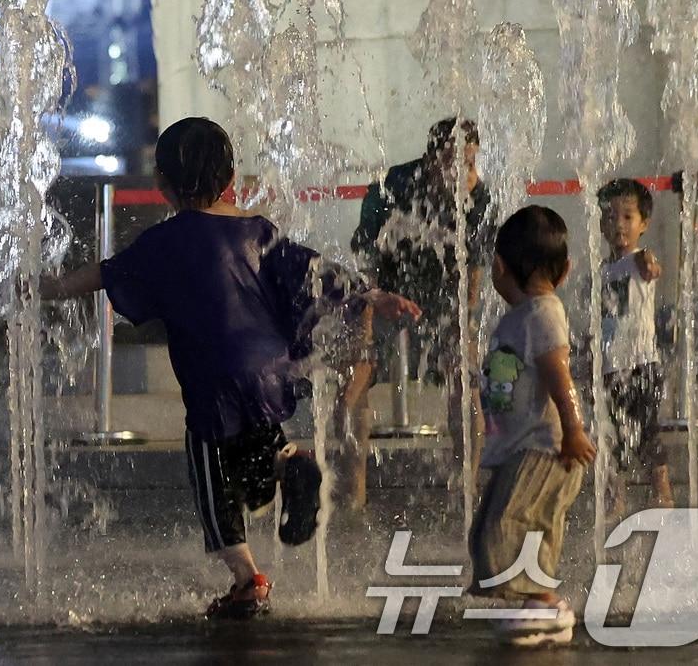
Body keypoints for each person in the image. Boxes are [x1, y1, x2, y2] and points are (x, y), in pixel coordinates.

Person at [41, 117, 421, 619]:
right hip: (268, 368)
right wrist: (374, 293)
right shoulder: (258, 230)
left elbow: (108, 274)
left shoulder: (166, 241)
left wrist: (53, 288)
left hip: (212, 377)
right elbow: (313, 270)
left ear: (162, 184)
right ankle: (291, 464)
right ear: (231, 178)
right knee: (255, 451)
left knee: (211, 483)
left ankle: (246, 579)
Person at [343, 118, 494, 504]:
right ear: (430, 161)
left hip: (445, 293)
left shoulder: (478, 198)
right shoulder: (392, 186)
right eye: (452, 162)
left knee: (465, 380)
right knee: (356, 370)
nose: (462, 173)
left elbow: (474, 269)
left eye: (470, 163)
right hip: (391, 289)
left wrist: (466, 318)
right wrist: (374, 303)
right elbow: (365, 253)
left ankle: (468, 483)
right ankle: (352, 488)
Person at [469, 205, 595, 647]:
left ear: (499, 266)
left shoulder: (542, 314)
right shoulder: (522, 317)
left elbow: (557, 374)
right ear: (565, 271)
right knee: (497, 524)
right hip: (524, 447)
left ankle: (547, 605)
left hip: (547, 447)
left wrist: (573, 429)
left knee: (512, 520)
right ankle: (534, 606)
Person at [596, 179, 672, 513]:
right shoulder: (604, 270)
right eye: (610, 217)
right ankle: (618, 498)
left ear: (643, 224)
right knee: (615, 436)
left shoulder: (639, 259)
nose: (618, 225)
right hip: (613, 365)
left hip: (642, 364)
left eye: (627, 217)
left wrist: (652, 262)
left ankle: (663, 492)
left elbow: (651, 264)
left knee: (648, 433)